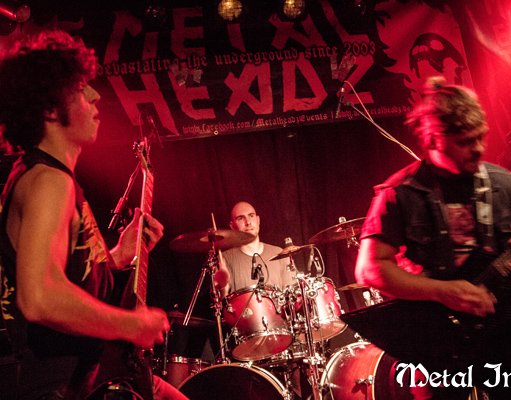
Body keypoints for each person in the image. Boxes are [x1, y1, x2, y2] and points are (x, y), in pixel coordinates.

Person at [0, 31, 188, 399]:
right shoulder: (48, 181)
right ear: (49, 109)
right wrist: (130, 324)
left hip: (83, 374)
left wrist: (117, 255)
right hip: (60, 382)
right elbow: (39, 297)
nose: (95, 95)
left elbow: (65, 275)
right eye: (79, 88)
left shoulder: (48, 177)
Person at [355, 76, 511, 399]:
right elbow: (370, 269)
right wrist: (443, 292)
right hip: (436, 336)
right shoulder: (399, 192)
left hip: (504, 327)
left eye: (481, 137)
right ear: (433, 140)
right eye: (465, 141)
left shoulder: (503, 183)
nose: (479, 148)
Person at [217, 201, 295, 296]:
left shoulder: (280, 254)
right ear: (232, 226)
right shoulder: (225, 259)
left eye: (251, 216)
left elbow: (293, 297)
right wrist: (223, 288)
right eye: (241, 218)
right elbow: (222, 302)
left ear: (258, 220)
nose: (248, 222)